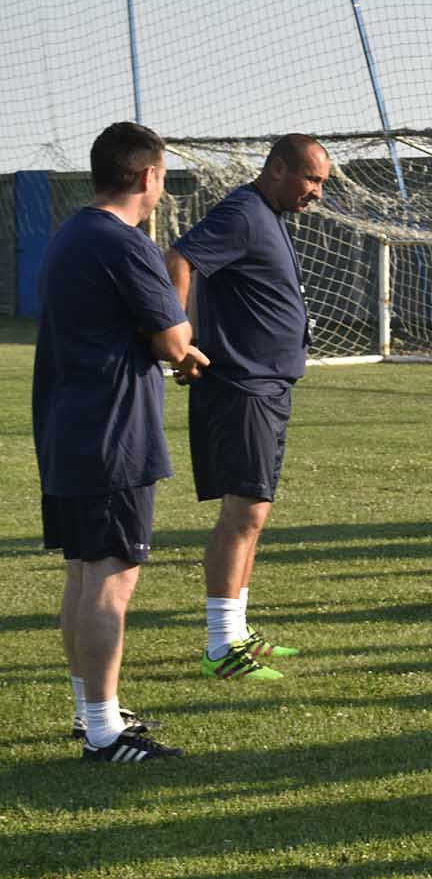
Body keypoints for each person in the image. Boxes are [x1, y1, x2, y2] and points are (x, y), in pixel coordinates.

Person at [37, 122, 209, 761]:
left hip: (67, 428)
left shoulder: (70, 234)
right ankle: (105, 733)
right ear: (147, 175)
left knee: (84, 573)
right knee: (111, 577)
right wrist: (184, 350)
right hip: (112, 433)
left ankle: (92, 711)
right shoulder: (124, 242)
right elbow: (173, 336)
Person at [166, 134, 331, 681]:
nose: (317, 192)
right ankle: (220, 647)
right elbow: (180, 259)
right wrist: (180, 338)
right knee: (244, 513)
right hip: (243, 386)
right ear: (278, 168)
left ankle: (237, 632)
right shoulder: (242, 211)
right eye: (312, 179)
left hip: (269, 385)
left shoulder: (269, 215)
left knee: (253, 513)